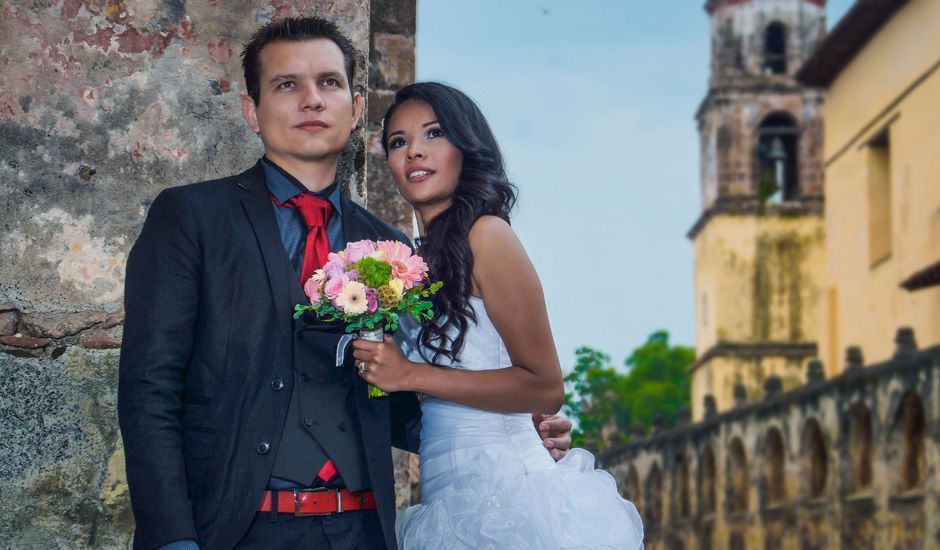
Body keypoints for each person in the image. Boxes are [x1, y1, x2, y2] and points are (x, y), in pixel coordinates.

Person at [118, 17, 570, 550]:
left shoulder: (396, 252)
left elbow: (393, 398)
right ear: (251, 111)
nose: (312, 100)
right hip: (233, 532)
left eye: (329, 83)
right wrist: (173, 539)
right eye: (287, 85)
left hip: (363, 533)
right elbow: (150, 389)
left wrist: (512, 430)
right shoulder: (192, 216)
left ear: (355, 110)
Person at [351, 82, 644, 549]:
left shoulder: (488, 236)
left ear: (466, 147)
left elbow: (545, 385)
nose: (415, 153)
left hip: (513, 498)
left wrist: (409, 373)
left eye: (434, 134)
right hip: (447, 500)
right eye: (398, 142)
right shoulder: (411, 261)